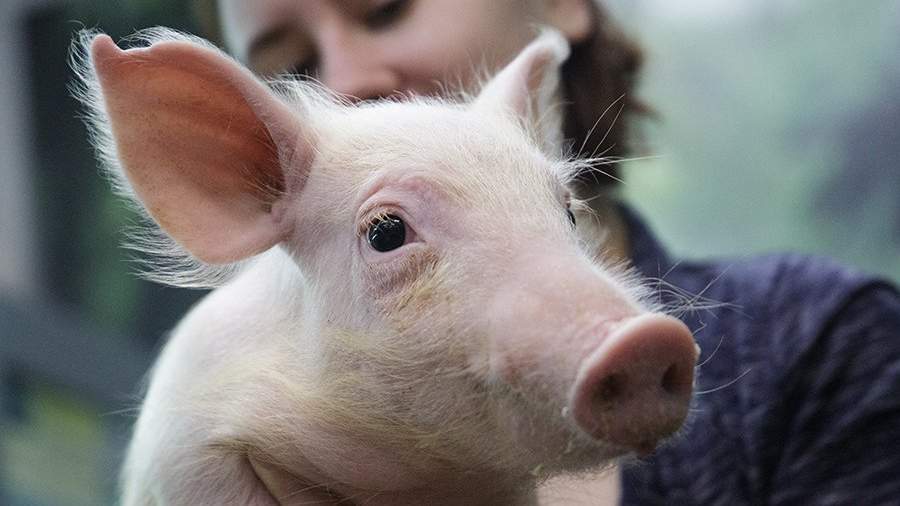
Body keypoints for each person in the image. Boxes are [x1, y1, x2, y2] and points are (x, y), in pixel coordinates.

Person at [195, 1, 900, 504]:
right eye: (294, 68)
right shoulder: (227, 422)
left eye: (385, 10)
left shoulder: (821, 347)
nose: (346, 83)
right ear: (237, 166)